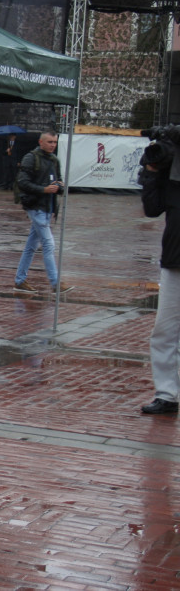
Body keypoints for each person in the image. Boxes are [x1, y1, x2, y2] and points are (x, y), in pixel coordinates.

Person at [138, 134, 180, 415]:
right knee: (164, 331)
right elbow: (152, 209)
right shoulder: (172, 174)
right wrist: (152, 172)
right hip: (175, 261)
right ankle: (167, 395)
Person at [13, 130, 72, 294]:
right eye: (49, 142)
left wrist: (59, 187)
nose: (52, 145)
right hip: (35, 207)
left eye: (54, 142)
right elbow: (22, 182)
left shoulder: (54, 160)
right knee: (48, 243)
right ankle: (55, 283)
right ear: (41, 142)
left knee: (31, 245)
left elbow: (59, 182)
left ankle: (20, 280)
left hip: (47, 208)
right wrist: (44, 189)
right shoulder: (31, 158)